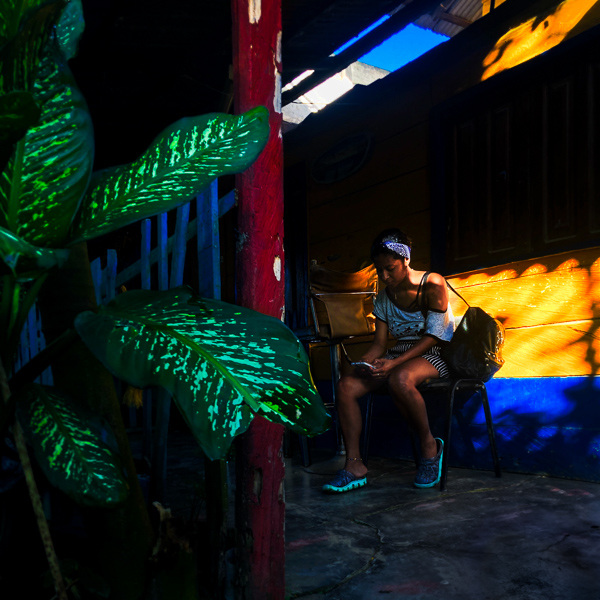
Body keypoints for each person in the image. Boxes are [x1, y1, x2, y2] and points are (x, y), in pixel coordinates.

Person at [322, 228, 455, 492]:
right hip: (398, 356)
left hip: (434, 353)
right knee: (346, 386)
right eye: (379, 270)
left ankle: (430, 447)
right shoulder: (383, 297)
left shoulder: (433, 283)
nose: (384, 276)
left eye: (390, 269)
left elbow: (435, 337)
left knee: (400, 378)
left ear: (406, 260)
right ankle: (354, 465)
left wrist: (393, 363)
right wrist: (367, 363)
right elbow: (380, 344)